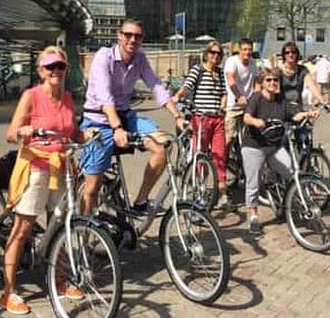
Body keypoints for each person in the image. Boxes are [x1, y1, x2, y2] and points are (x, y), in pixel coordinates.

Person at [0, 46, 89, 314]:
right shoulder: (31, 95)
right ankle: (9, 291)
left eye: (60, 67)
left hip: (61, 166)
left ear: (66, 70)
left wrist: (89, 134)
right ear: (40, 71)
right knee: (23, 227)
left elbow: (73, 133)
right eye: (50, 67)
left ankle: (59, 279)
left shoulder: (69, 98)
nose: (55, 71)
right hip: (36, 165)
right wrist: (23, 131)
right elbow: (10, 133)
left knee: (60, 225)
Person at [80, 19, 185, 216]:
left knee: (163, 146)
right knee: (92, 189)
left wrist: (177, 116)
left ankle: (140, 201)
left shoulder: (140, 58)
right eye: (128, 35)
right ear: (119, 36)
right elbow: (104, 97)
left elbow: (156, 87)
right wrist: (117, 128)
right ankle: (81, 239)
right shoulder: (104, 57)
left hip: (126, 116)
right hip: (99, 120)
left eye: (137, 36)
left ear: (142, 39)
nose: (132, 40)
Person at [241, 66, 319, 235]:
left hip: (274, 147)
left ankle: (292, 201)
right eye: (268, 80)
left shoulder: (280, 100)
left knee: (291, 171)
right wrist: (256, 122)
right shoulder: (256, 98)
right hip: (254, 146)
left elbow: (294, 115)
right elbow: (246, 117)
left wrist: (307, 114)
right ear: (262, 83)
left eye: (275, 80)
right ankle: (253, 216)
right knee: (253, 183)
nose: (272, 83)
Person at [171, 41, 229, 209]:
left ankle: (223, 193)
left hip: (217, 119)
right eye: (212, 53)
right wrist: (177, 96)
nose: (215, 56)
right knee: (200, 155)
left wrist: (223, 105)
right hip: (201, 119)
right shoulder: (198, 69)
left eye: (219, 54)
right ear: (206, 53)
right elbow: (187, 86)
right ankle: (199, 189)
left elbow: (223, 93)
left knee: (220, 155)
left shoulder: (220, 72)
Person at [223, 38, 258, 150]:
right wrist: (239, 96)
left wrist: (257, 99)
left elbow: (256, 84)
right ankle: (223, 161)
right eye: (244, 49)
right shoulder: (232, 61)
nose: (247, 52)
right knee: (229, 137)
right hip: (233, 105)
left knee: (249, 136)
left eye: (249, 50)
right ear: (239, 50)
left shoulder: (253, 63)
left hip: (247, 105)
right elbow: (231, 80)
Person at [278, 41, 323, 109]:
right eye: (287, 52)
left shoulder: (302, 70)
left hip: (297, 107)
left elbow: (312, 85)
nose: (290, 54)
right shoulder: (278, 70)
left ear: (297, 54)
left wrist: (321, 100)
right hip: (281, 107)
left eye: (293, 52)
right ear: (283, 55)